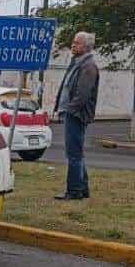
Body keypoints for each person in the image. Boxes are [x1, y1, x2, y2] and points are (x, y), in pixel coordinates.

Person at [52, 31, 100, 200]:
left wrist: (70, 110)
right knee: (76, 153)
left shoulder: (88, 66)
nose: (73, 45)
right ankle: (82, 188)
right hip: (70, 113)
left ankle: (73, 191)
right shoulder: (77, 62)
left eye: (77, 43)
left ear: (86, 46)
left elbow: (83, 94)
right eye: (73, 42)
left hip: (77, 115)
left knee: (73, 154)